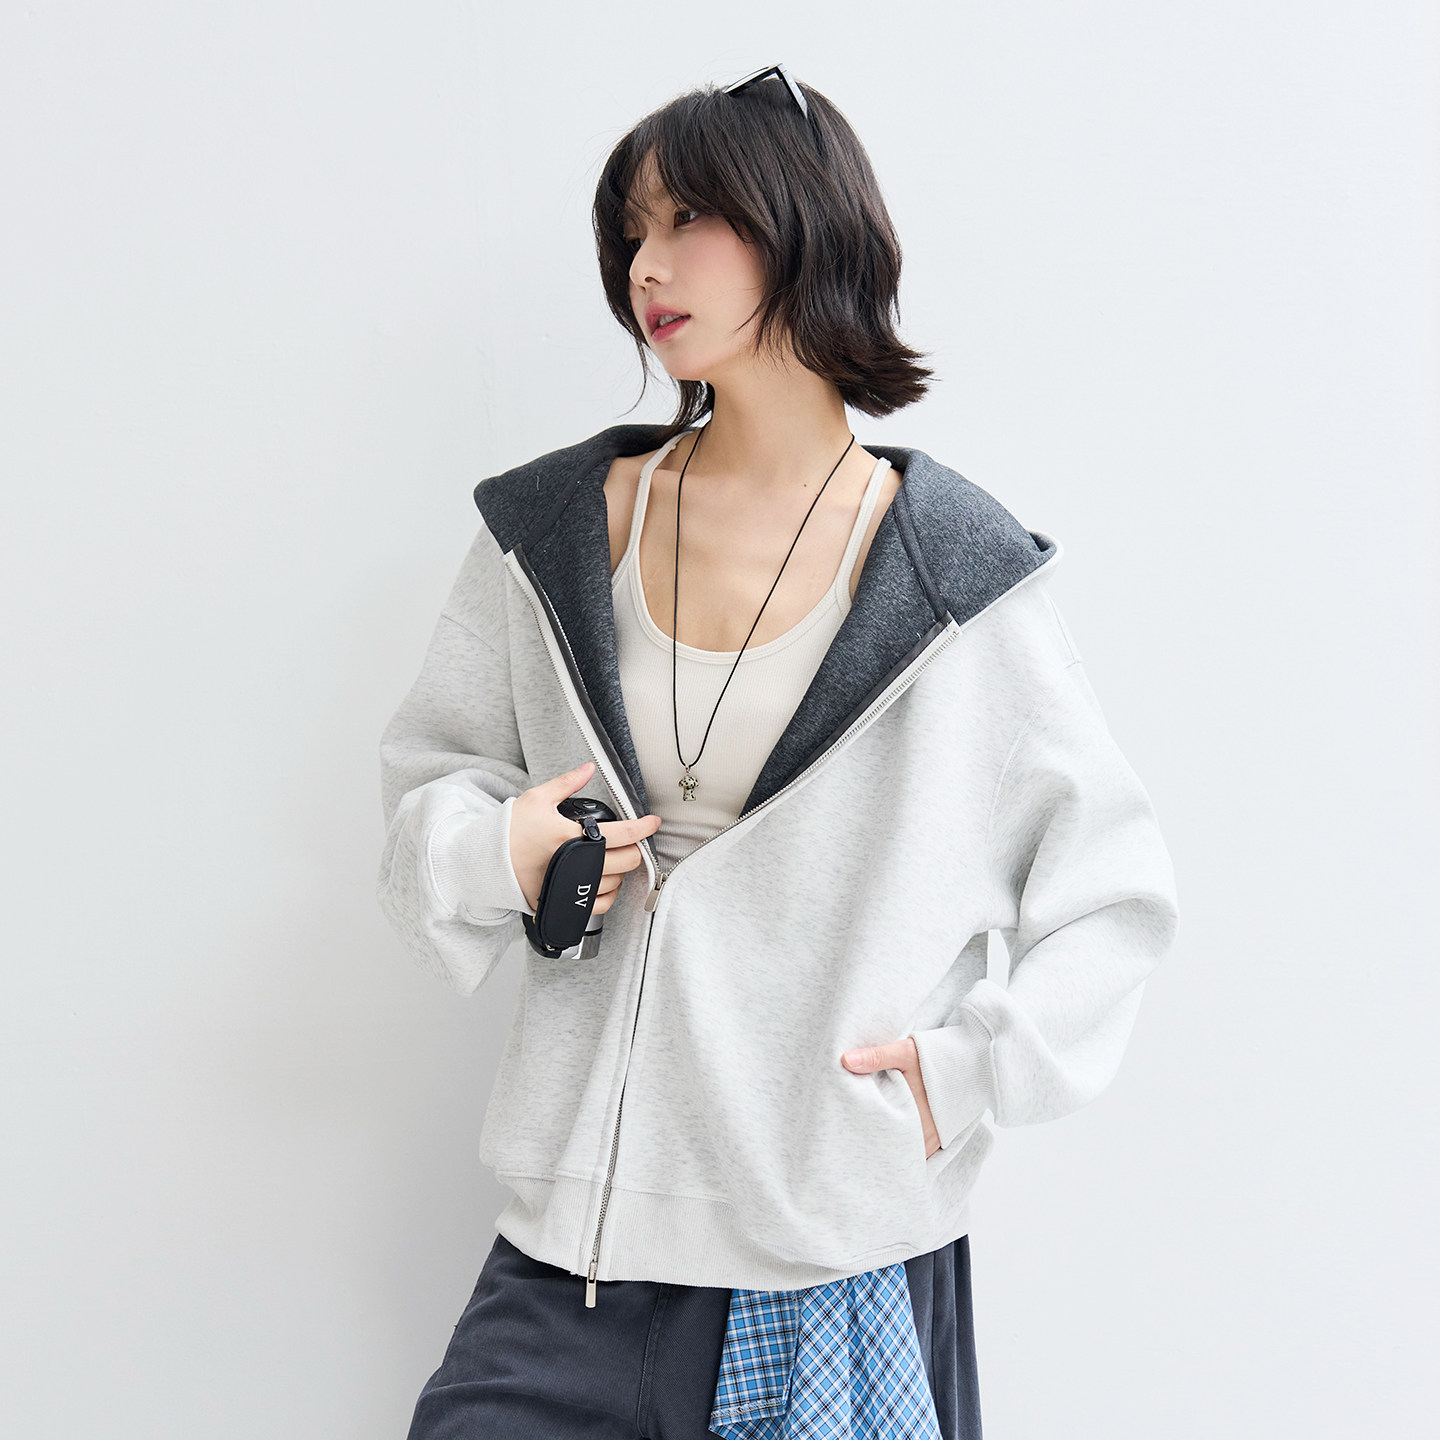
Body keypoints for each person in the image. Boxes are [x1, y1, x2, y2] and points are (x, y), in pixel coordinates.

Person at [377, 63, 1179, 1440]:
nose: (648, 264)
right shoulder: (554, 531)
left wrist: (964, 1074)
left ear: (803, 226)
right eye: (631, 230)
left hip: (827, 1257)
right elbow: (429, 788)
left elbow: (1113, 888)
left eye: (689, 218)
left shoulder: (954, 580)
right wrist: (496, 849)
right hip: (570, 1261)